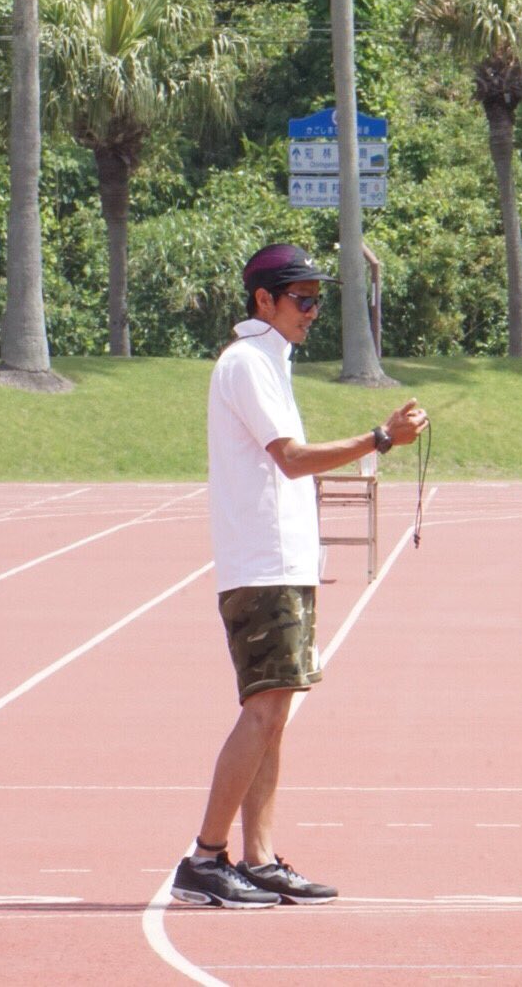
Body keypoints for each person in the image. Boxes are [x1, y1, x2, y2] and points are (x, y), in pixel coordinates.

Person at [170, 243, 428, 908]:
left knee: (276, 713)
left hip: (282, 564)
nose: (313, 311)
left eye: (317, 298)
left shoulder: (269, 364)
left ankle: (256, 858)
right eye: (302, 299)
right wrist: (378, 439)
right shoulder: (247, 364)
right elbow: (290, 459)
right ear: (264, 301)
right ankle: (204, 858)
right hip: (261, 566)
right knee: (261, 713)